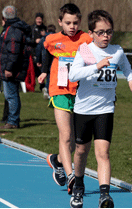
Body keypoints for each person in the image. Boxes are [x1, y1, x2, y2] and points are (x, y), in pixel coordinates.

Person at [69, 10, 132, 208]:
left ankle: (105, 195)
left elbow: (126, 66)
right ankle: (79, 186)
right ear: (91, 33)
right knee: (81, 151)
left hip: (105, 109)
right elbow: (73, 75)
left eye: (109, 32)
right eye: (100, 32)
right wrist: (96, 67)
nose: (105, 36)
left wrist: (131, 79)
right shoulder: (84, 50)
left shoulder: (117, 51)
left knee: (103, 153)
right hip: (83, 109)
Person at [38, 3, 92, 195]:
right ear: (60, 22)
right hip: (59, 90)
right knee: (66, 135)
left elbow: (90, 62)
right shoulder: (53, 40)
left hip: (80, 93)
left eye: (75, 23)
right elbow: (46, 52)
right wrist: (44, 71)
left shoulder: (84, 39)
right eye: (68, 23)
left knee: (77, 141)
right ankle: (72, 177)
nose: (72, 26)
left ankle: (57, 160)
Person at [0, 5, 31, 129]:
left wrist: (9, 68)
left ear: (4, 17)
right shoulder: (11, 28)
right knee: (11, 95)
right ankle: (11, 119)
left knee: (11, 95)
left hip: (11, 69)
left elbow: (13, 51)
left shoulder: (13, 30)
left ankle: (13, 121)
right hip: (10, 67)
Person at [36, 24, 56, 99]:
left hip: (44, 58)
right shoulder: (56, 38)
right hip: (53, 58)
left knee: (46, 74)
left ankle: (47, 90)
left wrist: (38, 60)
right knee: (51, 75)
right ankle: (50, 91)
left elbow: (38, 49)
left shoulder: (43, 38)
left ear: (47, 31)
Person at [30, 12, 47, 92]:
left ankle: (42, 86)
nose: (39, 20)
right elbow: (28, 40)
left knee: (41, 70)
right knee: (33, 70)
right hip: (33, 51)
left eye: (40, 19)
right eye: (37, 19)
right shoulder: (32, 28)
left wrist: (44, 36)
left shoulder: (44, 28)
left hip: (42, 52)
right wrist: (34, 41)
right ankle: (31, 86)